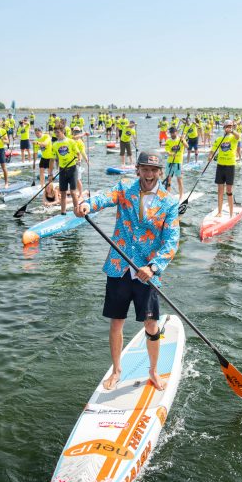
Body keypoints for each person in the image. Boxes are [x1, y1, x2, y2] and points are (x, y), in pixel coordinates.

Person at [74, 150, 180, 392]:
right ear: (138, 170)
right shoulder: (125, 188)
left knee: (151, 325)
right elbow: (104, 197)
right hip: (119, 266)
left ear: (160, 172)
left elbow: (172, 240)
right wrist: (87, 205)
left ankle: (153, 370)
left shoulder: (169, 201)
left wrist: (154, 267)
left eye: (154, 170)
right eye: (145, 169)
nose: (149, 174)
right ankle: (116, 371)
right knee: (116, 323)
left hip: (147, 272)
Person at [48, 124, 86, 215]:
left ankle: (77, 211)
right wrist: (50, 174)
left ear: (63, 131)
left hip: (72, 169)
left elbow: (78, 153)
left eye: (58, 132)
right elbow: (52, 160)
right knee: (63, 193)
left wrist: (79, 160)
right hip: (62, 170)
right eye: (55, 132)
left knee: (73, 192)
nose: (56, 134)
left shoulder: (71, 142)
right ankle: (63, 213)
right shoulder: (55, 144)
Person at [211, 120, 240, 218]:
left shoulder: (234, 137)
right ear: (223, 127)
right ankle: (219, 212)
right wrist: (210, 156)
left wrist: (231, 131)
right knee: (220, 190)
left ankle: (231, 214)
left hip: (230, 166)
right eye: (227, 126)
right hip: (220, 166)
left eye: (230, 126)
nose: (228, 127)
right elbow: (213, 150)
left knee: (228, 190)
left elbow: (238, 136)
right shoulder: (219, 139)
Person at [164, 125, 188, 202]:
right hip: (170, 162)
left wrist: (183, 140)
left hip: (178, 163)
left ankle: (181, 197)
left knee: (179, 180)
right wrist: (171, 154)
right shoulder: (168, 141)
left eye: (173, 132)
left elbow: (187, 146)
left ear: (176, 132)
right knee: (168, 180)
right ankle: (167, 196)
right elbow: (167, 151)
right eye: (171, 133)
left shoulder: (181, 140)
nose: (172, 134)